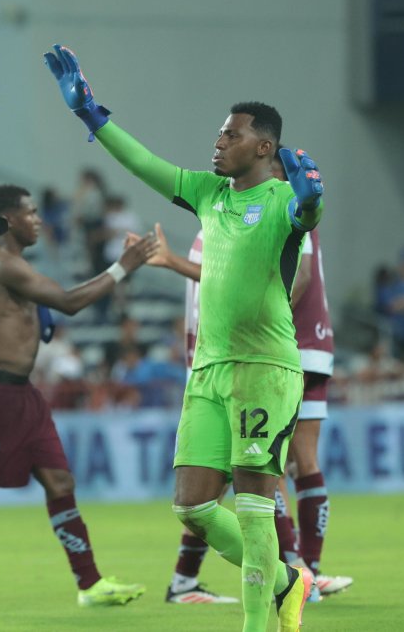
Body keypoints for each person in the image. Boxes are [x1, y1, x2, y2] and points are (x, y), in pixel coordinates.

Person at [45, 44, 322, 631]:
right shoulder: (208, 194)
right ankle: (285, 581)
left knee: (251, 509)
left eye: (231, 135)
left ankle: (258, 624)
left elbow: (305, 219)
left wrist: (312, 198)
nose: (218, 142)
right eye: (220, 134)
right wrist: (91, 117)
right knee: (192, 505)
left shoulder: (279, 199)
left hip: (265, 369)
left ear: (263, 147)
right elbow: (144, 163)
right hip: (208, 370)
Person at [0, 185, 154, 612]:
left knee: (60, 482)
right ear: (8, 220)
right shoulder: (1, 265)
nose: (39, 219)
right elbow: (68, 302)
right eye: (30, 213)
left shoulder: (15, 266)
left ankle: (90, 584)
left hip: (22, 394)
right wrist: (124, 267)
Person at [144, 148, 352, 605]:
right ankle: (294, 574)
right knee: (254, 476)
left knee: (275, 471)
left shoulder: (281, 206)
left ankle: (300, 572)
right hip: (244, 357)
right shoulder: (218, 215)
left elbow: (285, 281)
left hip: (277, 354)